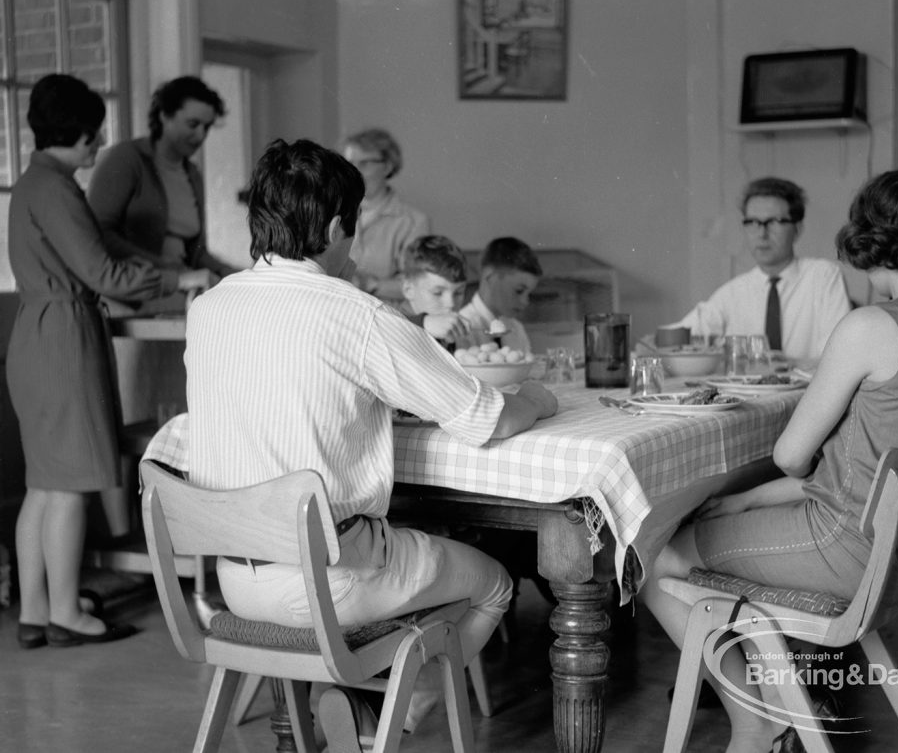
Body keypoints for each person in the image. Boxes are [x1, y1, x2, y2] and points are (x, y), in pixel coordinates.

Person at [184, 139, 558, 734]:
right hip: (331, 583)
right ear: (336, 226)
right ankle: (389, 710)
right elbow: (486, 419)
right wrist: (536, 397)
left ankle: (356, 702)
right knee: (493, 584)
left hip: (235, 576)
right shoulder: (359, 316)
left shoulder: (207, 309)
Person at [640, 167, 898, 753]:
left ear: (872, 239)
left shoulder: (873, 326)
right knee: (720, 523)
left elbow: (792, 456)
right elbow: (865, 472)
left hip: (845, 552)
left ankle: (760, 716)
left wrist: (749, 492)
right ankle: (788, 696)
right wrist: (747, 498)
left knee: (652, 559)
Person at [7, 74, 214, 649]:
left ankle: (38, 611)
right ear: (75, 131)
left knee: (45, 487)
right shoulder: (56, 189)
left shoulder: (33, 183)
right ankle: (67, 613)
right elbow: (101, 270)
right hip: (64, 336)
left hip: (35, 333)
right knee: (70, 485)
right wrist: (177, 277)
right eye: (93, 136)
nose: (99, 147)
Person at [671, 177, 851, 365]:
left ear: (797, 228)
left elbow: (839, 359)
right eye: (753, 222)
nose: (762, 234)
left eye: (773, 222)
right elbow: (678, 334)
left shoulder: (823, 276)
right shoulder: (733, 292)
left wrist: (789, 363)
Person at [87, 75, 234, 278]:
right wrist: (160, 264)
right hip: (138, 286)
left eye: (206, 127)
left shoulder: (192, 173)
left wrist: (229, 272)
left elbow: (196, 252)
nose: (200, 135)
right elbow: (98, 232)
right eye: (193, 124)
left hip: (180, 283)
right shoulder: (127, 159)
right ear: (164, 116)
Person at [340, 128, 429, 302]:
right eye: (348, 163)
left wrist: (370, 284)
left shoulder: (413, 222)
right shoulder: (331, 212)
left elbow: (419, 284)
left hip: (386, 317)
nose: (353, 170)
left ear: (387, 167)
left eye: (364, 163)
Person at [460, 236, 542, 354]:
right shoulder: (462, 329)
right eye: (519, 291)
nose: (525, 301)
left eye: (529, 294)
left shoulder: (516, 329)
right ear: (491, 278)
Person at [398, 234, 472, 348]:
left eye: (458, 292)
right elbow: (386, 328)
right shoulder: (388, 325)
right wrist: (423, 323)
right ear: (408, 289)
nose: (451, 304)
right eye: (437, 293)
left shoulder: (446, 333)